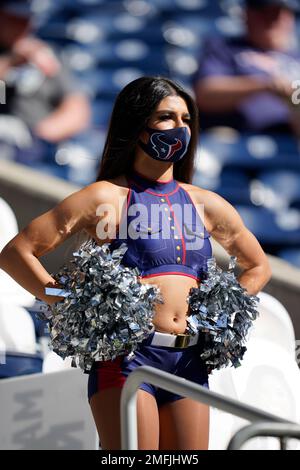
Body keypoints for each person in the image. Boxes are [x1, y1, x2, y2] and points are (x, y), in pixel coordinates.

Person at [0, 76, 272, 450]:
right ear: (138, 124)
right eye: (165, 117)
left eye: (185, 119)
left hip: (189, 360)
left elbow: (258, 266)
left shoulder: (205, 204)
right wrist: (68, 302)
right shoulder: (106, 196)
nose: (179, 128)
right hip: (129, 358)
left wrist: (221, 314)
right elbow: (17, 253)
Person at [193, 0, 300, 135]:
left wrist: (295, 100)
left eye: (280, 14)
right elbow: (205, 94)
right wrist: (266, 84)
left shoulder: (297, 57)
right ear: (248, 15)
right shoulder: (224, 48)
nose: (274, 20)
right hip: (236, 137)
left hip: (290, 139)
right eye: (267, 13)